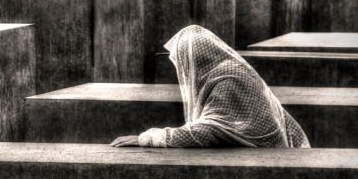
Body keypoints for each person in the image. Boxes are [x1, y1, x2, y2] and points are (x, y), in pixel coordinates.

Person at [111, 25, 310, 148]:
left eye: (182, 64)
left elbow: (209, 131)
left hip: (267, 157)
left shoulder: (228, 80)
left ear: (194, 59)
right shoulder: (228, 69)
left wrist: (149, 138)